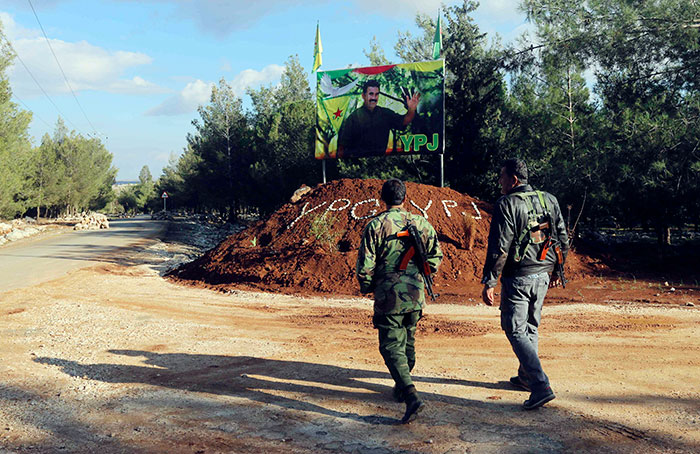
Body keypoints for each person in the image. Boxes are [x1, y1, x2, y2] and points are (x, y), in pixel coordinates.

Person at [481, 159, 569, 410]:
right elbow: (562, 235)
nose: (499, 181)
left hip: (518, 276)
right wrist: (558, 270)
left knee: (515, 328)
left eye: (502, 176)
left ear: (514, 180)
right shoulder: (548, 199)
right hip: (543, 274)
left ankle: (540, 385)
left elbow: (499, 247)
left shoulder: (506, 204)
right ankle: (526, 377)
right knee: (530, 325)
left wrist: (490, 281)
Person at [356, 178, 442, 423]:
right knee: (408, 339)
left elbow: (365, 266)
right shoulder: (422, 223)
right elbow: (436, 256)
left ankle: (410, 394)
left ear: (382, 199)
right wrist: (418, 274)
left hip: (389, 295)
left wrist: (369, 287)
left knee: (391, 346)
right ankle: (401, 384)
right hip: (415, 295)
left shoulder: (376, 226)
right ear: (405, 198)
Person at [338, 80, 419, 157]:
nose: (374, 97)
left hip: (381, 162)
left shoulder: (385, 114)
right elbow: (342, 147)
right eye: (371, 94)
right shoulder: (353, 118)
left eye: (377, 94)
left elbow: (404, 121)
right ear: (363, 95)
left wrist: (411, 109)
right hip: (358, 164)